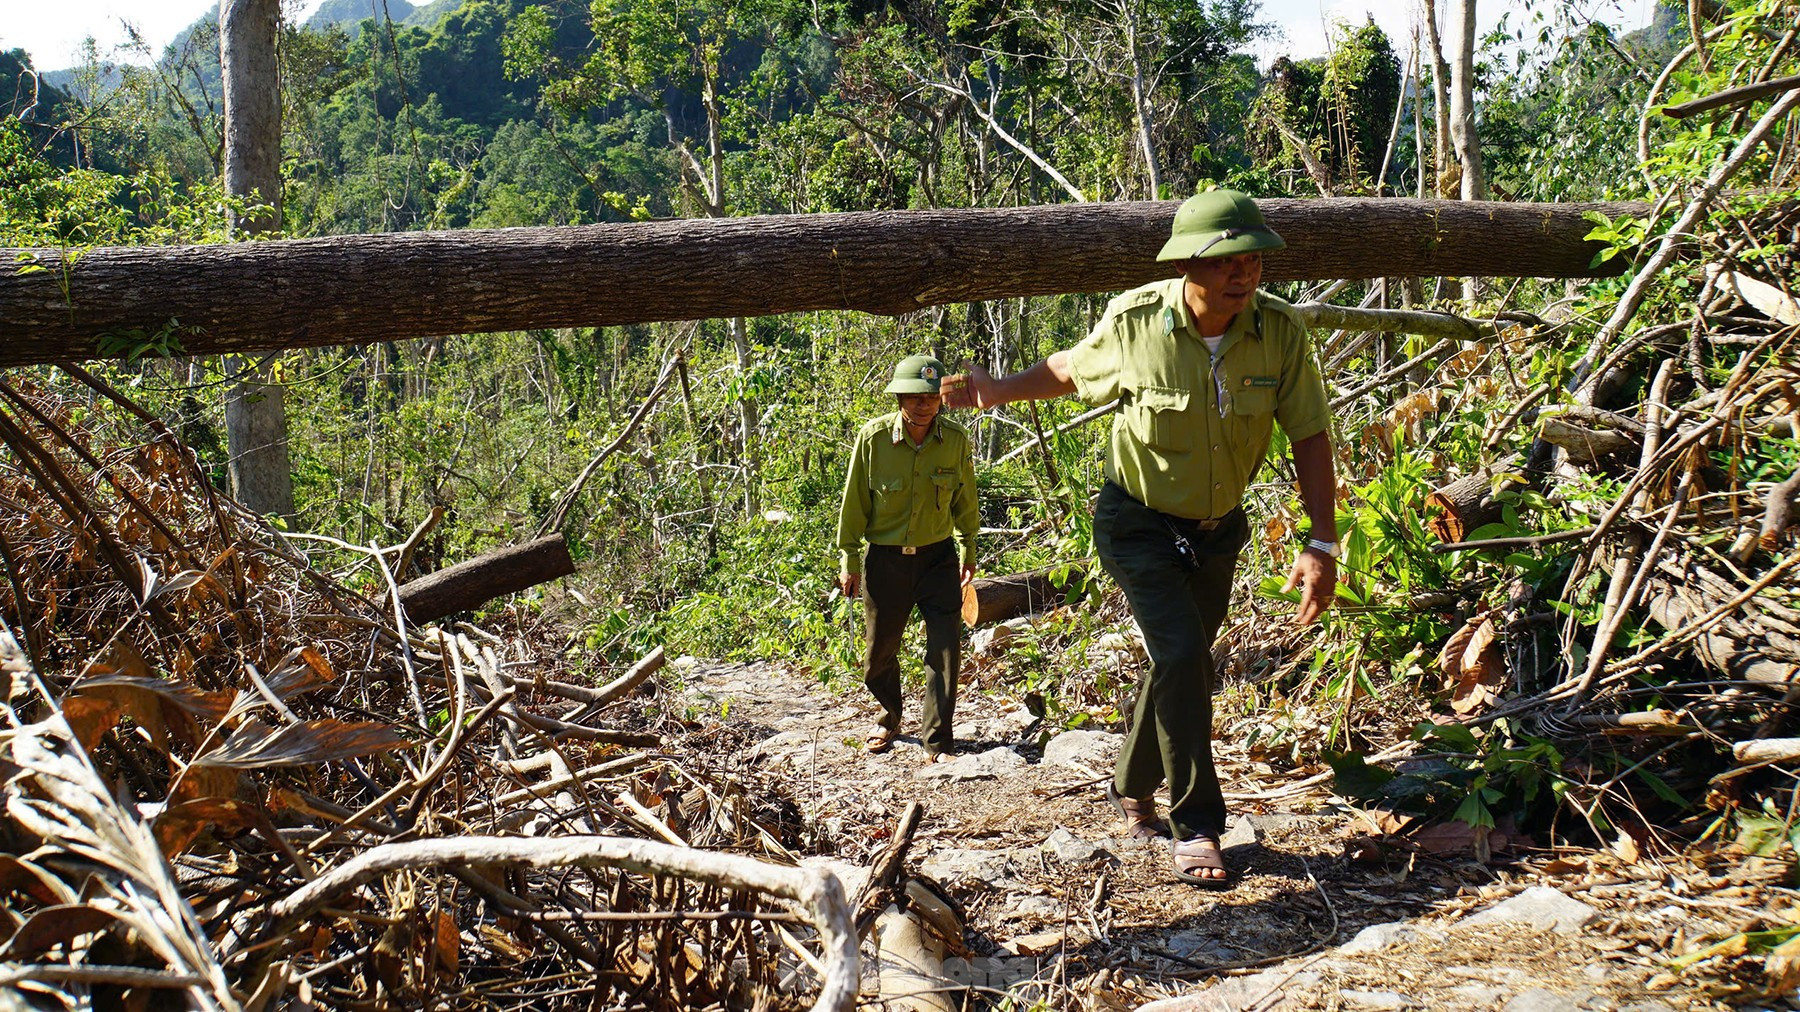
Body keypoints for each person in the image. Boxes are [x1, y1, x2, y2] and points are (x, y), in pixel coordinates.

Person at [940, 189, 1339, 887]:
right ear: (1187, 263)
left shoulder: (1279, 332)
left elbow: (1308, 433)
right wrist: (997, 390)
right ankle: (1199, 825)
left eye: (1252, 259)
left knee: (1179, 659)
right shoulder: (1137, 323)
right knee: (1184, 651)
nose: (1242, 274)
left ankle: (1130, 782)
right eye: (1224, 262)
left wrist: (1322, 542)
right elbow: (1072, 368)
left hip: (1216, 531)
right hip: (1136, 522)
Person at [836, 354, 979, 763]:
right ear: (899, 396)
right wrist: (848, 559)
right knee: (879, 651)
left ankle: (938, 740)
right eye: (916, 396)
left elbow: (966, 498)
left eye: (932, 396)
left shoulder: (954, 440)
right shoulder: (873, 438)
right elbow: (854, 503)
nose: (925, 404)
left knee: (945, 649)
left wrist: (969, 547)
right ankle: (888, 716)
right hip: (886, 561)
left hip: (938, 560)